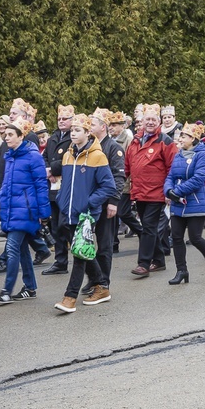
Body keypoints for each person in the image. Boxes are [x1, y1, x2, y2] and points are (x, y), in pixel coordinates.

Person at [53, 114, 115, 313]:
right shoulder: (68, 154)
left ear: (88, 133)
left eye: (78, 130)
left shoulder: (98, 156)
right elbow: (65, 184)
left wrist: (89, 203)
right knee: (83, 252)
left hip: (86, 215)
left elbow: (108, 186)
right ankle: (101, 286)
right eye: (72, 130)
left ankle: (69, 297)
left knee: (79, 255)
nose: (73, 133)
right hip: (68, 212)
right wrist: (63, 202)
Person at [0, 118, 51, 304]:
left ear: (21, 136)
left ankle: (6, 290)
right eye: (5, 134)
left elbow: (41, 185)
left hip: (26, 211)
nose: (6, 137)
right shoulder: (10, 155)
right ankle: (30, 287)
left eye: (10, 134)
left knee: (11, 249)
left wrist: (44, 213)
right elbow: (8, 184)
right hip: (13, 210)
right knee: (23, 250)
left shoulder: (33, 156)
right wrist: (1, 199)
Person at [125, 103, 178, 278]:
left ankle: (143, 264)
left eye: (153, 119)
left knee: (148, 226)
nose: (150, 122)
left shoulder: (165, 141)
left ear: (159, 122)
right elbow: (127, 165)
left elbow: (173, 166)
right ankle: (160, 259)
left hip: (156, 192)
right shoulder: (134, 141)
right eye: (147, 119)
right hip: (139, 192)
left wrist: (170, 191)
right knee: (149, 227)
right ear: (141, 121)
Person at [164, 122, 205, 284]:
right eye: (180, 135)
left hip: (195, 202)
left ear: (193, 138)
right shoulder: (179, 154)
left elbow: (200, 178)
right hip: (178, 203)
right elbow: (170, 176)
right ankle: (182, 271)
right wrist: (168, 191)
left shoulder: (202, 154)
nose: (180, 138)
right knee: (177, 237)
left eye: (184, 136)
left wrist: (177, 192)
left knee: (195, 238)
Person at [80, 110, 125, 296]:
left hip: (106, 203)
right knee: (85, 242)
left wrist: (114, 201)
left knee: (104, 245)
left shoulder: (113, 147)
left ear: (103, 127)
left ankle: (103, 282)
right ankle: (93, 278)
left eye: (92, 124)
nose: (89, 128)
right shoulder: (89, 146)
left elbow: (119, 176)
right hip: (90, 203)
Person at [41, 104, 75, 276]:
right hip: (52, 187)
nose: (61, 121)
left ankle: (79, 256)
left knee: (65, 224)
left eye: (65, 119)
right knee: (55, 226)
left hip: (66, 186)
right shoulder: (54, 137)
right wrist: (48, 170)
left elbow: (69, 158)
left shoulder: (73, 136)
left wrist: (53, 169)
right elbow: (45, 156)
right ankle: (60, 261)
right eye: (59, 118)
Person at [109, 111, 143, 250]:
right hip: (112, 182)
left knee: (123, 212)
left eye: (114, 124)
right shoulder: (111, 139)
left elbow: (131, 162)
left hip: (125, 182)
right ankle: (114, 243)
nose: (111, 127)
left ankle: (141, 231)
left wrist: (129, 182)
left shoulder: (128, 139)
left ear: (122, 126)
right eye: (110, 124)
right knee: (112, 214)